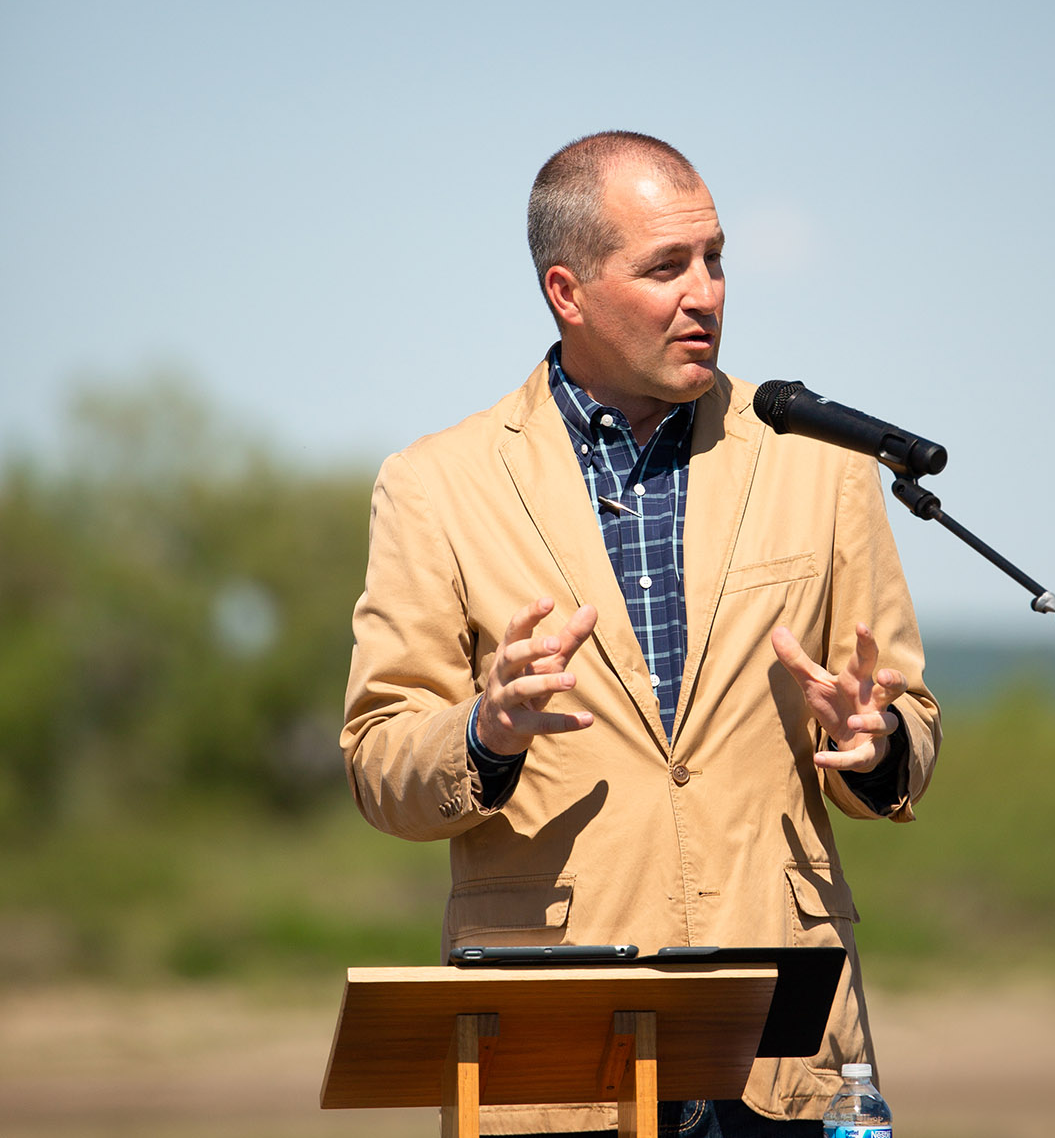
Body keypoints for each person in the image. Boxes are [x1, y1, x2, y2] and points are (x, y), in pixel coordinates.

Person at [342, 131, 940, 1137]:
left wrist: (877, 750)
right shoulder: (437, 483)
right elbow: (378, 761)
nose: (703, 292)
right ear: (567, 292)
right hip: (548, 1050)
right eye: (666, 266)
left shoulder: (819, 462)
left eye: (714, 259)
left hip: (784, 1049)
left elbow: (906, 718)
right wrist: (486, 730)